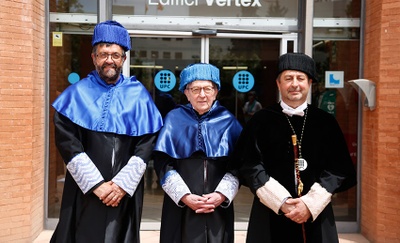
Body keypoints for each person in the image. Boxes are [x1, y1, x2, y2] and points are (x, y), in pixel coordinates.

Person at [50, 20, 163, 242]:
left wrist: (121, 185)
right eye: (103, 54)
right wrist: (96, 185)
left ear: (124, 58)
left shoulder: (138, 95)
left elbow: (146, 144)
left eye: (115, 54)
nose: (109, 60)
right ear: (94, 58)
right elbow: (68, 143)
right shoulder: (76, 93)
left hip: (123, 193)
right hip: (85, 191)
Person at [230, 53, 357, 243]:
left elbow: (339, 168)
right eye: (288, 78)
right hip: (270, 213)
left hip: (316, 213)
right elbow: (249, 165)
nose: (295, 84)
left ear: (310, 82)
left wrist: (310, 204)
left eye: (301, 78)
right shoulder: (261, 120)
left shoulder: (325, 122)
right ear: (278, 83)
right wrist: (281, 202)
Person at [153, 63, 243, 243]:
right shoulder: (173, 119)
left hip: (217, 207)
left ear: (216, 91)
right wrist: (184, 196)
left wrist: (221, 195)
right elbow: (163, 163)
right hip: (181, 207)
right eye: (195, 89)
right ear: (186, 92)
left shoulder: (229, 121)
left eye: (207, 89)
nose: (202, 95)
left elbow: (239, 164)